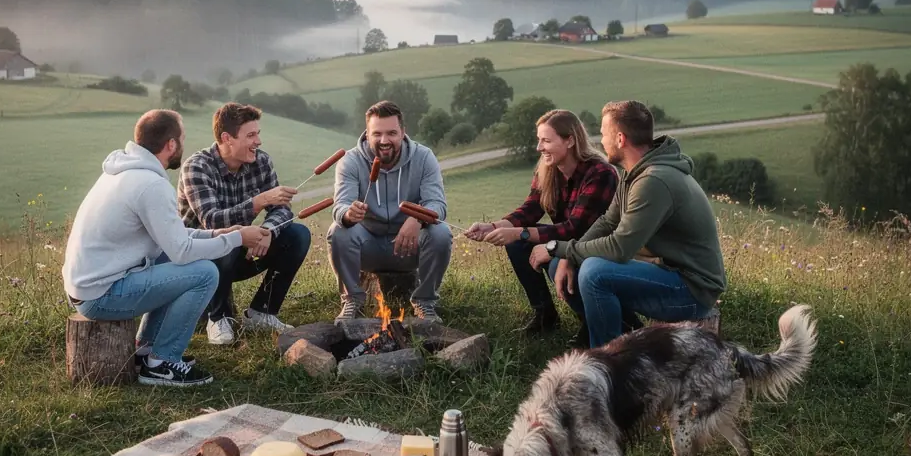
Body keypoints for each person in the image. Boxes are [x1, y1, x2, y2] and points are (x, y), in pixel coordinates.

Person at [62, 109, 267, 387]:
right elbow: (181, 250)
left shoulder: (124, 173)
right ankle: (162, 362)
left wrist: (218, 233)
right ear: (171, 144)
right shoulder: (150, 185)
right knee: (204, 273)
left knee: (170, 260)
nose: (184, 144)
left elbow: (172, 236)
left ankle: (146, 350)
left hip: (92, 284)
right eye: (182, 138)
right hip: (101, 294)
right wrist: (238, 239)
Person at [530, 100, 726, 348]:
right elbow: (608, 221)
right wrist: (567, 254)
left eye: (603, 133)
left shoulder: (653, 181)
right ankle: (627, 334)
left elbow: (619, 247)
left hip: (692, 290)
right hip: (667, 272)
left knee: (594, 273)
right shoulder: (634, 173)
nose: (600, 141)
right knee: (563, 264)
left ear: (620, 139)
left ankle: (607, 363)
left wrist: (555, 247)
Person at [464, 108, 616, 337]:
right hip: (567, 242)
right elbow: (532, 208)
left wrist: (520, 233)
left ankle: (592, 322)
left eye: (546, 140)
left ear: (570, 141)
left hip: (597, 248)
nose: (539, 147)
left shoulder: (599, 173)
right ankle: (544, 314)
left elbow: (577, 228)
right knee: (517, 244)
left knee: (554, 261)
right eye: (539, 140)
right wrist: (495, 226)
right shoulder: (548, 169)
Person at [177, 102, 311, 343]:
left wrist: (268, 230)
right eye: (251, 135)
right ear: (227, 138)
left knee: (297, 235)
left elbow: (282, 209)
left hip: (240, 252)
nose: (258, 141)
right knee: (224, 239)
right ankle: (218, 318)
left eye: (258, 134)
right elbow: (211, 221)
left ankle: (261, 312)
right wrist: (258, 202)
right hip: (196, 260)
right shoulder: (196, 167)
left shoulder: (261, 162)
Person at [328, 100, 452, 322]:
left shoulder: (424, 157)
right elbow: (340, 206)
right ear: (367, 134)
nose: (384, 141)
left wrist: (417, 219)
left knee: (441, 232)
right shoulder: (350, 161)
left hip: (408, 247)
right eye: (377, 134)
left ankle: (424, 303)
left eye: (392, 133)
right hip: (368, 246)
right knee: (338, 230)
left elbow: (438, 205)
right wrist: (348, 214)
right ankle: (352, 300)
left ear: (403, 132)